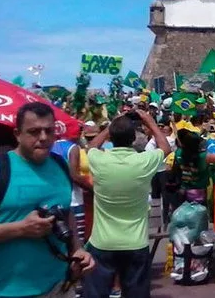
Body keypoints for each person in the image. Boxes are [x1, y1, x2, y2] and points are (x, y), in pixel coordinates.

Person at [0, 102, 94, 297]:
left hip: (59, 287)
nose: (43, 138)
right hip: (7, 291)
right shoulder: (1, 168)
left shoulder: (61, 165)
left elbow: (66, 214)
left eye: (49, 131)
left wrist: (77, 248)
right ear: (17, 134)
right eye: (34, 131)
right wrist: (20, 229)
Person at [83, 110, 171, 298]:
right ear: (133, 138)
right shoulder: (143, 161)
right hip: (135, 243)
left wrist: (113, 124)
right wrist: (150, 121)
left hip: (102, 243)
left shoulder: (99, 159)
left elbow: (91, 146)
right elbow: (165, 147)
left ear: (111, 137)